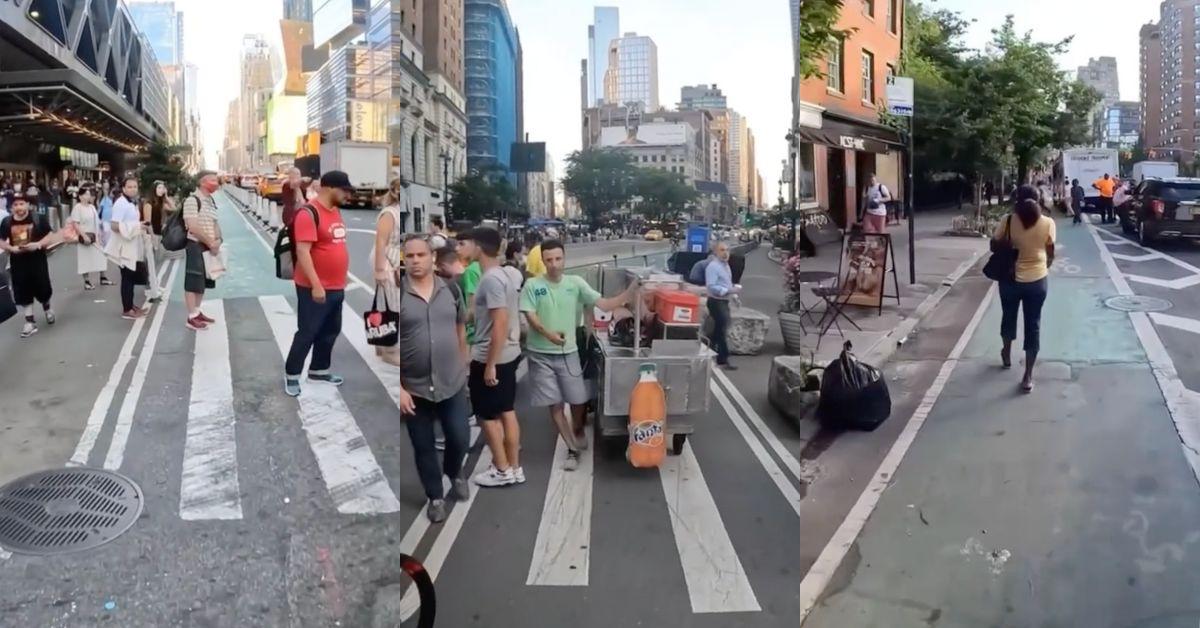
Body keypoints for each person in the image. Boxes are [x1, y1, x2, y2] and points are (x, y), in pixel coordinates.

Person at [521, 239, 636, 470]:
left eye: (558, 259)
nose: (554, 264)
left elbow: (604, 304)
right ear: (542, 261)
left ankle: (578, 428)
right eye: (549, 260)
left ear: (564, 259)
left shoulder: (575, 284)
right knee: (554, 404)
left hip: (568, 352)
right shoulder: (532, 286)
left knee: (578, 397)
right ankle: (572, 448)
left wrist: (631, 290)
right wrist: (547, 333)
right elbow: (530, 315)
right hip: (539, 354)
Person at [397, 235, 471, 523]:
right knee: (424, 446)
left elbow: (461, 328)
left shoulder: (451, 290)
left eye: (421, 255)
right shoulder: (393, 294)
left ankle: (454, 471)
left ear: (432, 258)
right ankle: (435, 496)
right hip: (414, 389)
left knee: (459, 436)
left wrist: (463, 363)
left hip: (451, 383)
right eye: (410, 256)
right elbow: (381, 344)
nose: (415, 260)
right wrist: (399, 388)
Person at [283, 171, 353, 397]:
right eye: (345, 190)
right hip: (314, 286)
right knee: (308, 331)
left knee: (331, 330)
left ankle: (319, 369)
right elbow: (303, 252)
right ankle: (292, 374)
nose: (348, 195)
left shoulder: (335, 211)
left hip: (337, 285)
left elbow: (334, 245)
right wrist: (316, 285)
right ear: (330, 188)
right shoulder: (309, 213)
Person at [469, 227, 527, 487]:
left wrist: (490, 364)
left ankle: (502, 469)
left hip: (491, 356)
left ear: (478, 247)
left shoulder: (491, 279)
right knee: (506, 410)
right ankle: (514, 468)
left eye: (464, 243)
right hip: (509, 353)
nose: (460, 248)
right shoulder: (504, 274)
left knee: (487, 416)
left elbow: (499, 322)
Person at [993, 198, 1055, 394]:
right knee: (1033, 324)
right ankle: (1027, 376)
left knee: (1008, 316)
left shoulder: (1008, 220)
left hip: (1010, 279)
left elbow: (995, 242)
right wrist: (1045, 266)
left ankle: (1006, 353)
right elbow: (1050, 250)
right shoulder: (1048, 223)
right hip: (1037, 281)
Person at [0, 197, 61, 338]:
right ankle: (29, 322)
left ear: (27, 204)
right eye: (15, 204)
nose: (19, 207)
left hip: (37, 260)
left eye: (21, 203)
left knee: (42, 286)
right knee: (22, 289)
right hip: (18, 261)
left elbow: (50, 235)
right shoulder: (7, 222)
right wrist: (11, 248)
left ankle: (47, 309)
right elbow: (1, 240)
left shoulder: (38, 218)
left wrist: (38, 244)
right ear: (12, 207)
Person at [182, 172, 223, 330]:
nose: (216, 182)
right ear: (202, 182)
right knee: (193, 280)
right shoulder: (193, 201)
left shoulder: (210, 201)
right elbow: (193, 227)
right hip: (195, 245)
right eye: (212, 180)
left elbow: (214, 223)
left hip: (208, 246)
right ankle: (191, 316)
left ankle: (197, 312)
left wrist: (218, 240)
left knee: (203, 281)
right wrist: (210, 242)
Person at [373, 178, 406, 367]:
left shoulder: (397, 212)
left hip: (394, 262)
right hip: (386, 262)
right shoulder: (390, 213)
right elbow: (380, 242)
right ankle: (389, 349)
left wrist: (401, 264)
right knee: (390, 307)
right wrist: (379, 269)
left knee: (387, 305)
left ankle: (381, 345)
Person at [107, 176, 150, 320]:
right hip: (123, 245)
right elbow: (114, 225)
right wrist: (136, 226)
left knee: (130, 276)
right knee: (127, 277)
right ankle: (127, 309)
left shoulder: (130, 202)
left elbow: (130, 221)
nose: (133, 189)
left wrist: (139, 225)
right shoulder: (120, 203)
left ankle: (131, 305)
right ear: (123, 188)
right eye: (130, 187)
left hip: (131, 243)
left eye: (135, 187)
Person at [705, 241, 741, 371]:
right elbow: (711, 286)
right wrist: (729, 291)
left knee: (718, 330)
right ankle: (723, 358)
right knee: (721, 330)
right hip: (716, 301)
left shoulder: (725, 266)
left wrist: (734, 296)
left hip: (723, 301)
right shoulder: (713, 267)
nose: (726, 253)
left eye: (727, 250)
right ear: (715, 252)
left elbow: (727, 283)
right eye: (722, 250)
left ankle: (709, 351)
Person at [68, 186, 111, 290]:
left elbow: (97, 220)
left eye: (88, 194)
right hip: (85, 236)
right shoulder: (78, 207)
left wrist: (100, 233)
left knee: (101, 255)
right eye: (85, 194)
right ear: (80, 196)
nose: (87, 196)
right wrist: (83, 235)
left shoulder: (91, 207)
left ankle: (103, 277)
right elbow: (76, 223)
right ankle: (86, 281)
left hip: (94, 236)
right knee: (85, 260)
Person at [140, 180, 172, 303]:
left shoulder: (160, 202)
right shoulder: (148, 203)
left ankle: (153, 285)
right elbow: (148, 222)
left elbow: (173, 208)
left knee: (155, 260)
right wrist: (153, 238)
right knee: (150, 261)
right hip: (150, 235)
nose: (161, 190)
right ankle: (150, 288)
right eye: (159, 188)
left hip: (158, 234)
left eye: (163, 188)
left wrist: (167, 196)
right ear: (154, 189)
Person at [456, 230, 483, 345]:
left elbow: (471, 309)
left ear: (475, 244)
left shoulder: (471, 271)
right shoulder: (482, 266)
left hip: (473, 335)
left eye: (462, 244)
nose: (457, 248)